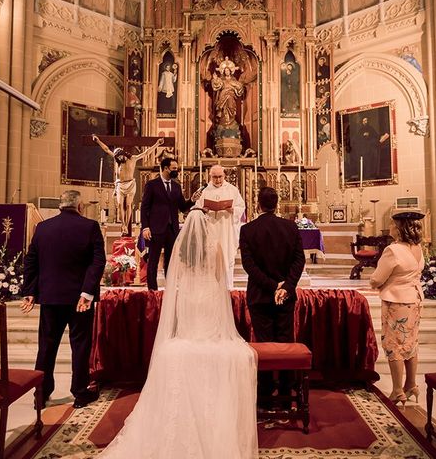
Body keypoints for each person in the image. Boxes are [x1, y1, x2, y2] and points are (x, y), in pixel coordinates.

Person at [98, 210, 258, 459]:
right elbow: (219, 278)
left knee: (187, 339)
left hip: (189, 298)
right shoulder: (214, 246)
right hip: (208, 296)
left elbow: (175, 279)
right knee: (216, 344)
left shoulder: (180, 250)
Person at [21, 190, 106, 408]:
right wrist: (87, 292)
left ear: (60, 206)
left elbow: (31, 260)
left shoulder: (43, 227)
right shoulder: (90, 227)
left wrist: (30, 291)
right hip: (80, 299)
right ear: (79, 206)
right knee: (80, 345)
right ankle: (79, 392)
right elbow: (97, 262)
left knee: (47, 347)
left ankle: (41, 394)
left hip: (50, 297)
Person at [239, 187, 305, 407]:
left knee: (264, 343)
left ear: (258, 204)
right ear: (277, 204)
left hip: (259, 296)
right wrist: (285, 286)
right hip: (285, 295)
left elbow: (250, 266)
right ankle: (286, 393)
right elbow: (299, 260)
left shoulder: (248, 230)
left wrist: (271, 286)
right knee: (285, 341)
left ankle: (266, 394)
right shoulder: (290, 227)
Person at [370, 208, 425, 405]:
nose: (390, 227)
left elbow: (377, 278)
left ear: (400, 228)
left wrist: (376, 283)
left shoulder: (393, 250)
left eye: (393, 224)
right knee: (410, 343)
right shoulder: (418, 248)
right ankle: (411, 384)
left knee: (394, 345)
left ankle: (397, 390)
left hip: (397, 302)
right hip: (415, 300)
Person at [140, 157, 201, 290]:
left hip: (171, 229)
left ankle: (170, 288)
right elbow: (144, 207)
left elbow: (182, 207)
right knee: (153, 260)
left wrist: (192, 199)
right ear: (166, 168)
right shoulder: (152, 185)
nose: (176, 171)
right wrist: (145, 227)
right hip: (155, 228)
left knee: (170, 260)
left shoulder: (176, 186)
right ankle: (152, 289)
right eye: (174, 169)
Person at [92, 134, 164, 235]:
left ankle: (126, 224)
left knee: (129, 204)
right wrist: (98, 141)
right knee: (120, 204)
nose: (118, 159)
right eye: (117, 157)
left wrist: (157, 144)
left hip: (130, 184)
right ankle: (124, 225)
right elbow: (106, 149)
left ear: (123, 154)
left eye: (119, 156)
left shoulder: (133, 158)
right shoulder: (118, 159)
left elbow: (146, 152)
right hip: (120, 185)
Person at [194, 164, 245, 289]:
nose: (217, 180)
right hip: (210, 229)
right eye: (214, 177)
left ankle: (228, 287)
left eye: (220, 177)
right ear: (210, 176)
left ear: (224, 176)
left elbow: (241, 207)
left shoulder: (232, 190)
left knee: (227, 258)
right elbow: (196, 209)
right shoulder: (204, 191)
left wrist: (233, 210)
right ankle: (210, 288)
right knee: (210, 259)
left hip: (226, 230)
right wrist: (203, 210)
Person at [347, 116, 390, 182]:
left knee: (370, 163)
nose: (365, 122)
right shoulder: (360, 130)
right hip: (363, 150)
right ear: (362, 122)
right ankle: (365, 177)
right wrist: (363, 136)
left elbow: (376, 136)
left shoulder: (371, 128)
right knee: (364, 164)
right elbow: (356, 139)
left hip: (370, 150)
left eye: (366, 121)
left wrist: (380, 137)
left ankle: (370, 176)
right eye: (364, 121)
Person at [211, 57, 245, 128]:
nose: (227, 72)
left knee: (231, 107)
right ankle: (223, 123)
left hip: (231, 97)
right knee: (223, 110)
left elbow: (239, 87)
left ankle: (231, 123)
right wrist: (215, 79)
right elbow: (217, 85)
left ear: (230, 71)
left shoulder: (234, 80)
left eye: (228, 70)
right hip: (222, 96)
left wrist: (239, 86)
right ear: (223, 71)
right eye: (225, 71)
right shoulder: (222, 80)